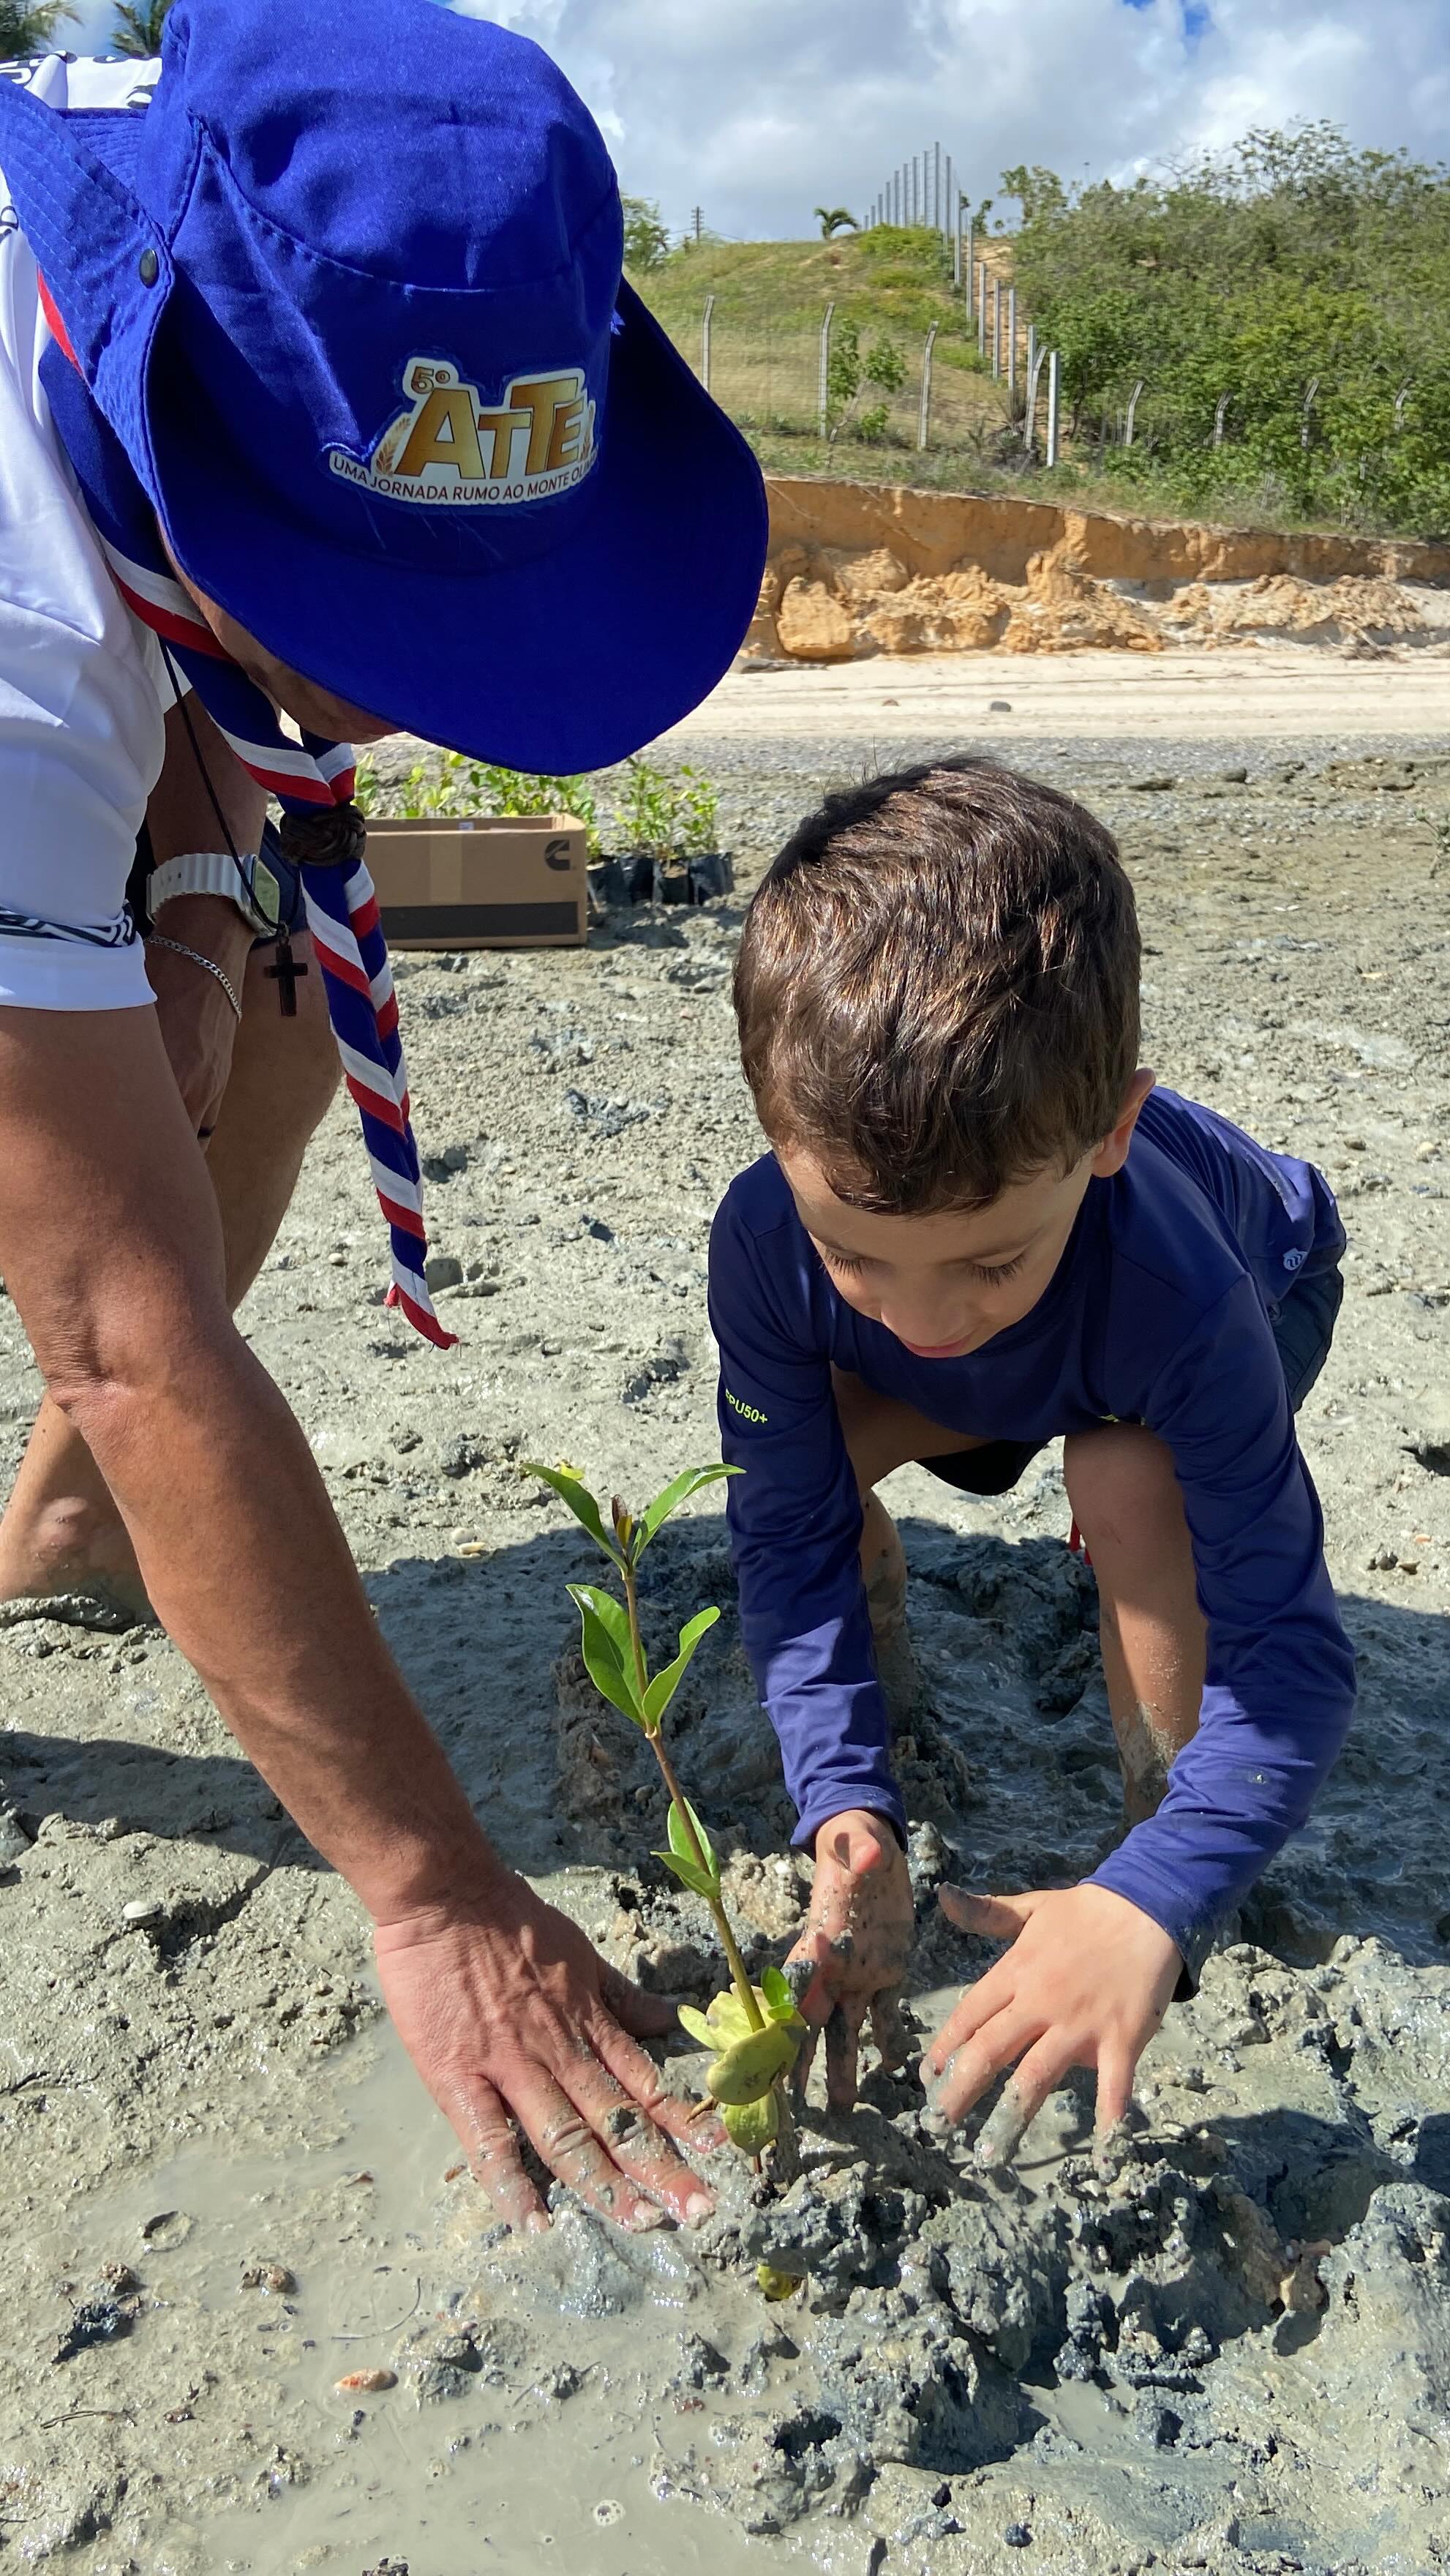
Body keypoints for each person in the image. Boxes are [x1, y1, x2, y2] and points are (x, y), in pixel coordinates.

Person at [0, 0, 767, 2231]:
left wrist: (187, 883)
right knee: (105, 1245)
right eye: (357, 622)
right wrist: (431, 1891)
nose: (392, 702)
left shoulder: (218, 217)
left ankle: (54, 1544)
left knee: (246, 990)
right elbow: (129, 1337)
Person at [710, 757, 1356, 2160]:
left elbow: (1293, 1658)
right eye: (853, 1253)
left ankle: (1167, 1843)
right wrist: (840, 1802)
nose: (924, 1317)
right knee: (817, 1454)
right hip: (1046, 1335)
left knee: (1126, 1480)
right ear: (774, 1136)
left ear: (1111, 1127)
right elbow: (785, 1537)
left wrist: (1146, 1902)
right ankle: (883, 1774)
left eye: (983, 1256)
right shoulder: (764, 1244)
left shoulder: (1186, 1296)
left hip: (1250, 1279)